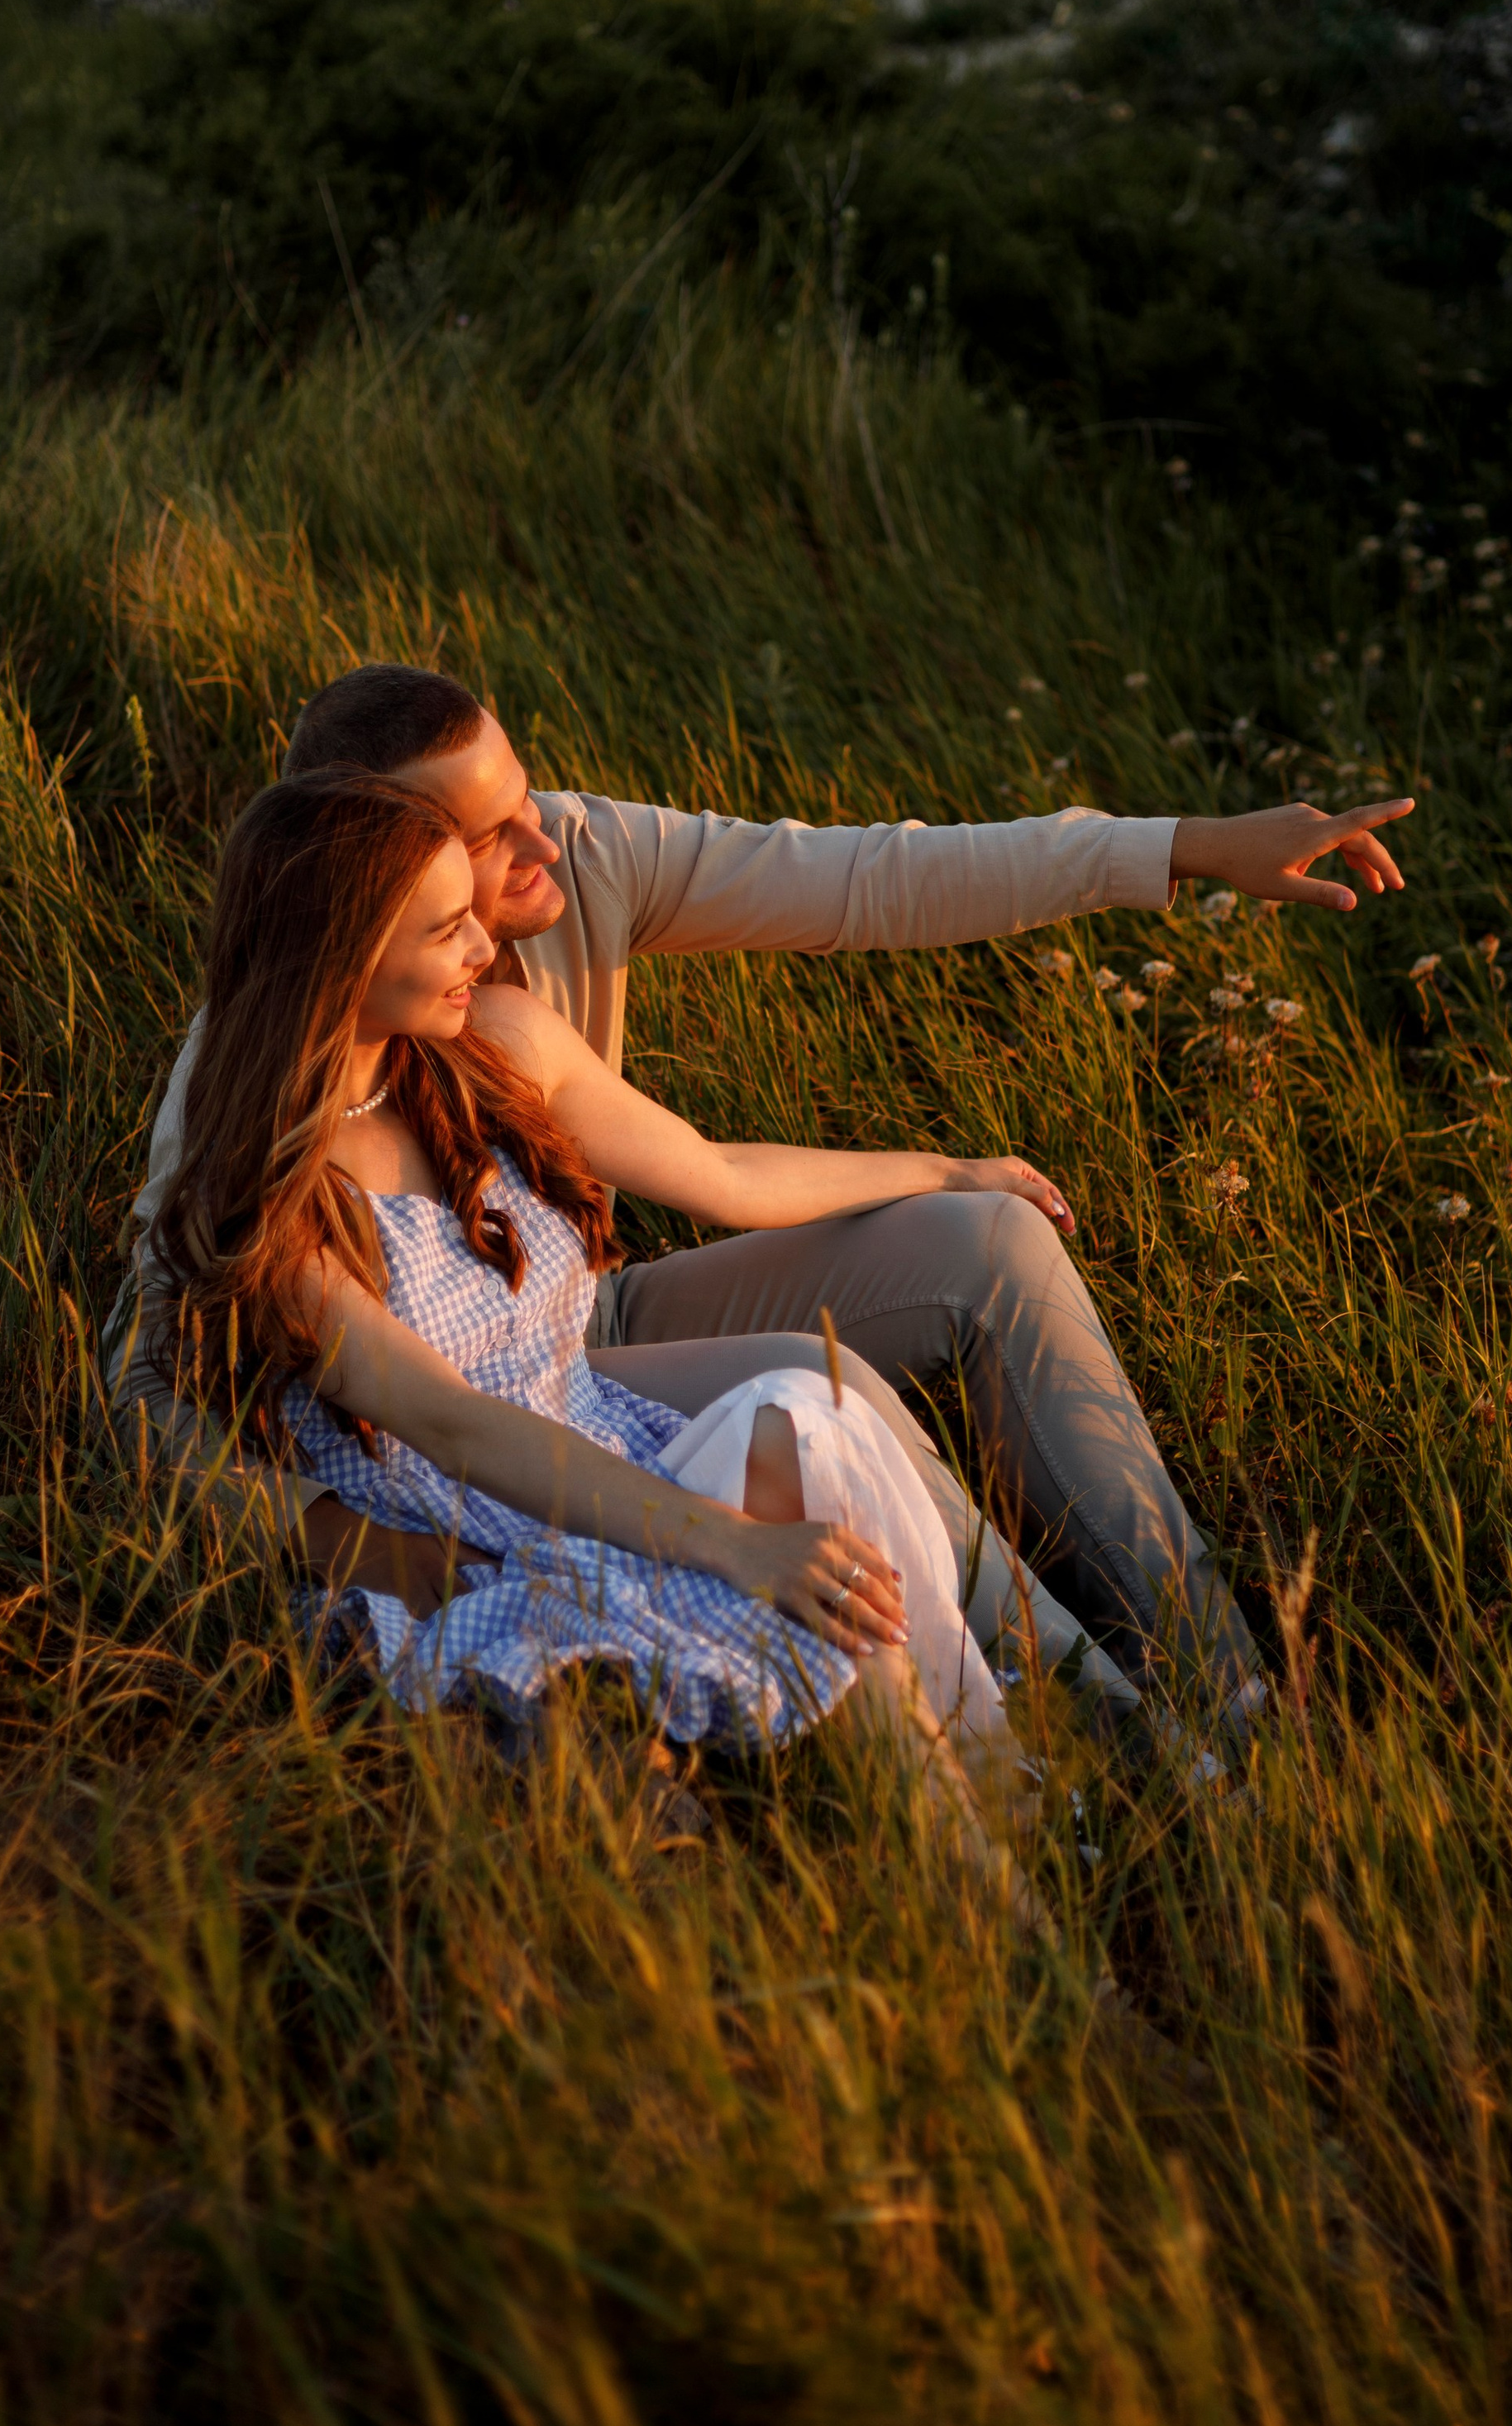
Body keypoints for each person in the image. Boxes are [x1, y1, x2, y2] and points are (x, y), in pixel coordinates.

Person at [115, 662, 1413, 1726]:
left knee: (989, 1239)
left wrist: (1183, 848)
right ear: (365, 875)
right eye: (480, 833)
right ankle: (1082, 1709)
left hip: (584, 1315)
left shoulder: (576, 863)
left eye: (526, 796)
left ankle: (1230, 1689)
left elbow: (868, 879)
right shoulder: (247, 1078)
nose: (542, 839)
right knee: (821, 1384)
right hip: (459, 1413)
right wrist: (349, 1538)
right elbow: (148, 1383)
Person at [154, 766, 1057, 1858]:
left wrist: (944, 1172)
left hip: (607, 1467)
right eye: (445, 931)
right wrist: (737, 1547)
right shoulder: (280, 1207)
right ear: (342, 953)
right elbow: (455, 1426)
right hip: (485, 1550)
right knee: (803, 1483)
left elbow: (719, 1170)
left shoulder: (473, 1056)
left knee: (805, 1414)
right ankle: (997, 1856)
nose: (483, 948)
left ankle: (1007, 1799)